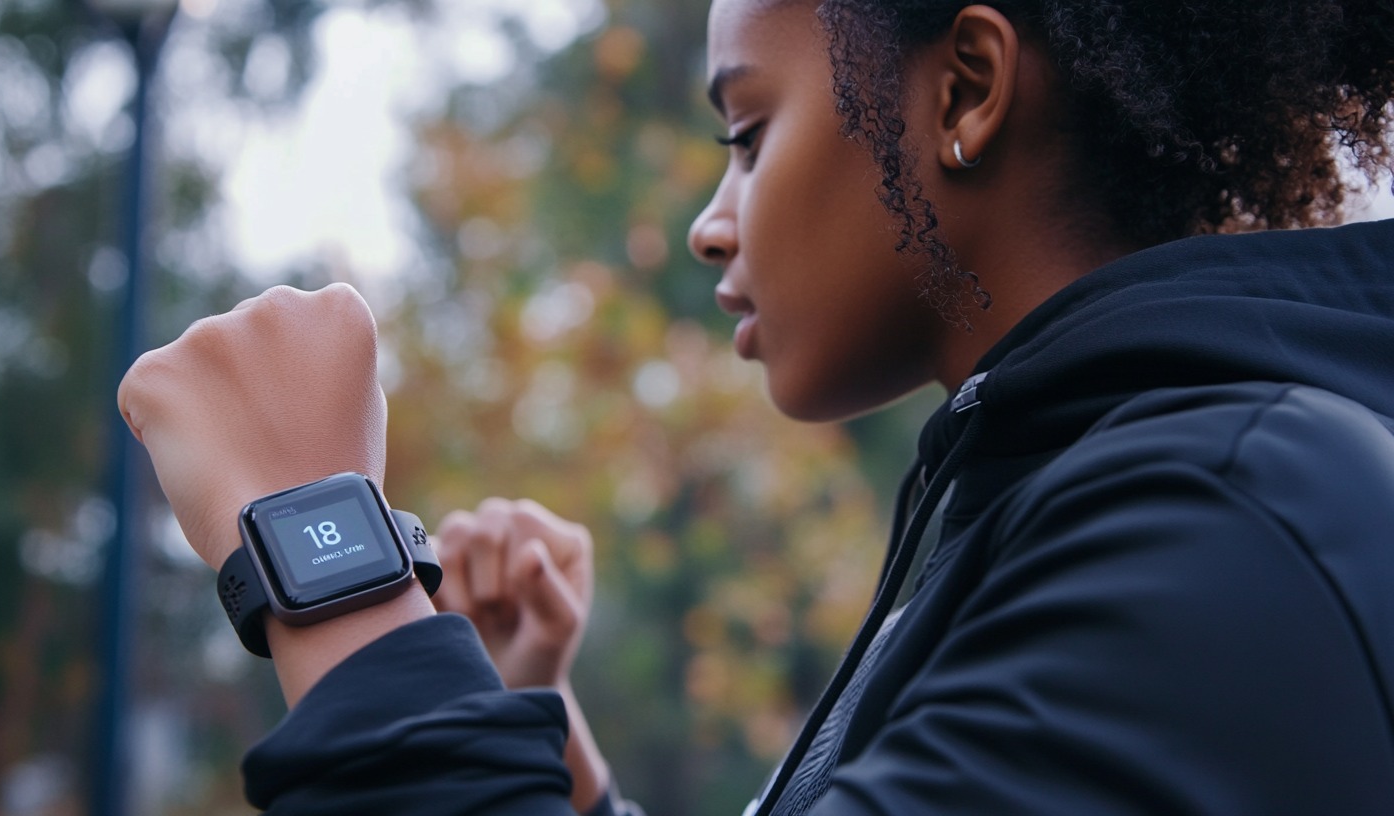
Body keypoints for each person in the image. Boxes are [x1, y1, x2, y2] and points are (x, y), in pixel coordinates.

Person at [117, 0, 1394, 813]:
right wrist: (516, 745)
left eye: (746, 131)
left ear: (963, 91)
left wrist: (327, 559)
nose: (705, 227)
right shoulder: (1092, 505)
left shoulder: (1221, 523)